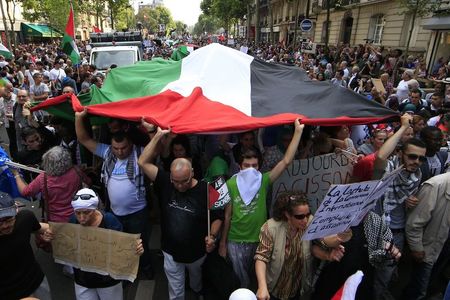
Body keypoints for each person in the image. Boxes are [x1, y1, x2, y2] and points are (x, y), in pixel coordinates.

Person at [138, 121, 223, 300]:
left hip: (198, 253)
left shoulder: (206, 190)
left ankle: (197, 290)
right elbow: (142, 161)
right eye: (175, 181)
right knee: (176, 292)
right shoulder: (165, 180)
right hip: (170, 252)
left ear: (192, 172)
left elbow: (217, 217)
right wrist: (158, 135)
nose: (179, 185)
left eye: (184, 181)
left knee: (196, 282)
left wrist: (213, 236)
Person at [219, 119, 304, 288]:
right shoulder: (230, 184)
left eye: (254, 165)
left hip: (260, 239)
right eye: (246, 165)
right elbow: (227, 215)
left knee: (259, 278)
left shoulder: (264, 181)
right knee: (241, 280)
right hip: (235, 241)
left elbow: (286, 161)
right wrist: (222, 243)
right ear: (239, 166)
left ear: (260, 166)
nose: (250, 169)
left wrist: (298, 132)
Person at [75, 109, 154, 279]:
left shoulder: (140, 153)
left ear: (131, 144)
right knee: (120, 245)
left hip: (137, 213)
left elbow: (157, 147)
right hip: (115, 214)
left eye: (123, 147)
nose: (119, 152)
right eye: (116, 148)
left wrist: (151, 130)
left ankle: (146, 267)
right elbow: (84, 139)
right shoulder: (107, 152)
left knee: (141, 244)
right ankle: (126, 274)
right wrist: (79, 116)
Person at [372, 113, 427, 298]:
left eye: (421, 159)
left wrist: (408, 203)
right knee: (373, 272)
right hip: (378, 229)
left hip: (398, 231)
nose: (416, 162)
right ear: (400, 153)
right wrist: (403, 128)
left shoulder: (416, 175)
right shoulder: (388, 169)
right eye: (412, 156)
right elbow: (380, 155)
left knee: (386, 273)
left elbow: (404, 199)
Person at [255, 191, 345, 300]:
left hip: (298, 290)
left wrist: (333, 247)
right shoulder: (271, 228)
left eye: (307, 215)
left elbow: (318, 243)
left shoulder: (309, 222)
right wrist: (262, 286)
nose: (305, 220)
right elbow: (261, 258)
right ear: (287, 215)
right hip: (274, 289)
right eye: (300, 217)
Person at [62, 188, 144, 300]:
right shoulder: (72, 221)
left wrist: (136, 249)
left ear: (94, 209)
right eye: (78, 213)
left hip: (108, 282)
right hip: (83, 281)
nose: (81, 218)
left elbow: (123, 248)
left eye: (86, 213)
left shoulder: (110, 221)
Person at [403, 172, 450, 300]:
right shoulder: (435, 185)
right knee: (418, 290)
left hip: (444, 249)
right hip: (427, 251)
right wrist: (416, 247)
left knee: (430, 285)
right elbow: (414, 222)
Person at [12, 146, 90, 222]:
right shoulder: (76, 171)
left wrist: (16, 174)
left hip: (55, 220)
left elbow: (25, 191)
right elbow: (88, 182)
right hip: (77, 216)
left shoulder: (43, 178)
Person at [0, 191, 53, 300]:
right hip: (8, 293)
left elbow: (40, 228)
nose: (5, 226)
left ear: (16, 211)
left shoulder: (25, 218)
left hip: (37, 282)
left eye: (9, 219)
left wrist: (48, 234)